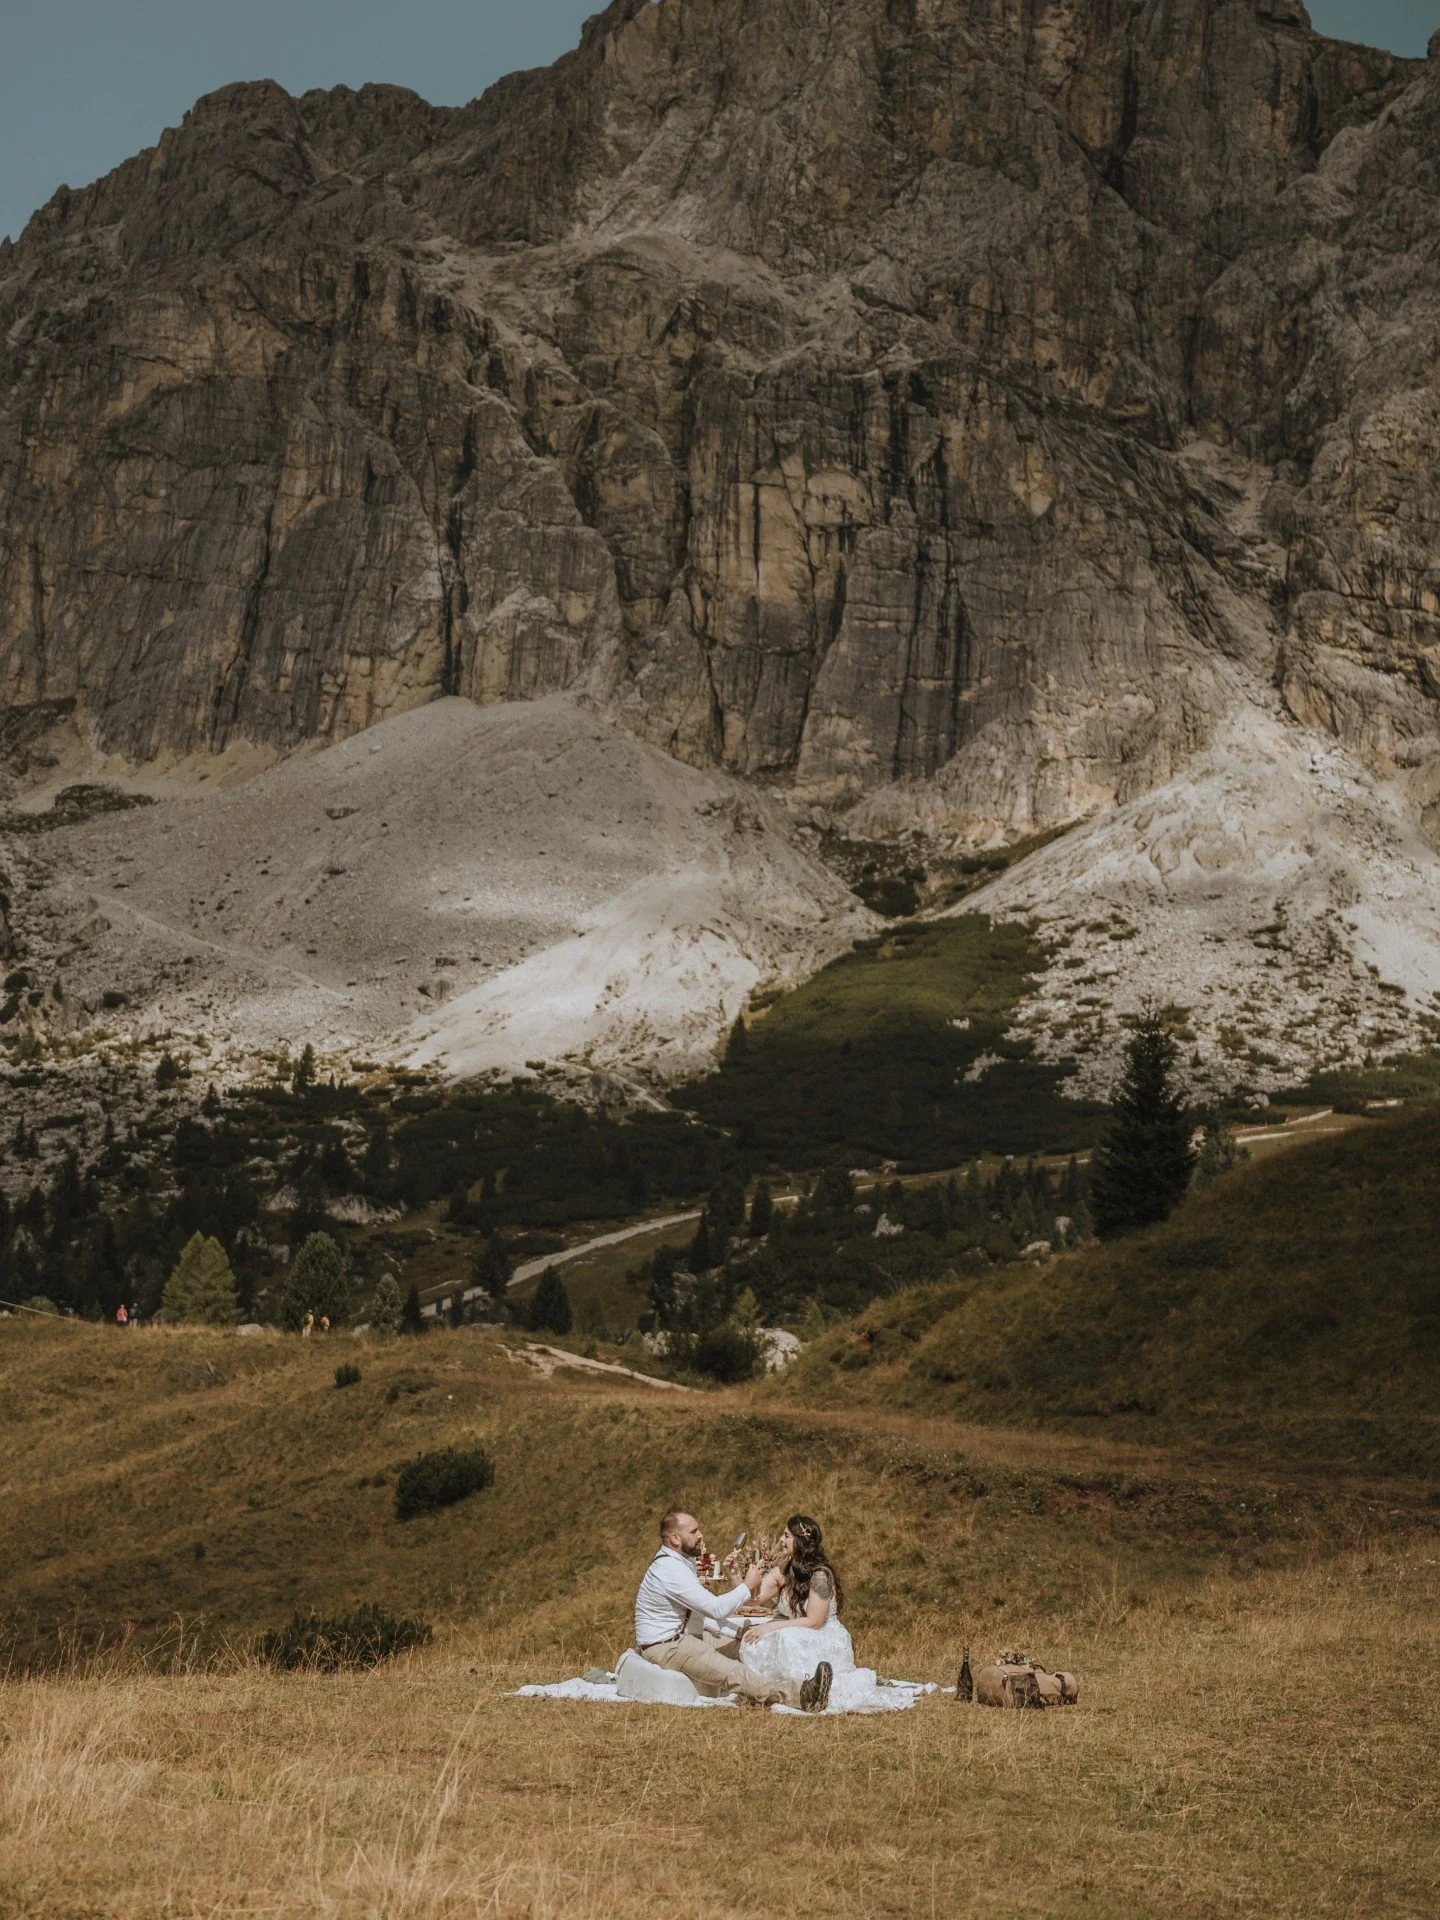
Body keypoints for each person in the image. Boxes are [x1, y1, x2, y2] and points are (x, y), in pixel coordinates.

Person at [634, 1510, 832, 1711]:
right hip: (667, 1645)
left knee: (749, 1646)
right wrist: (746, 1584)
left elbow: (698, 1614)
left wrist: (737, 1633)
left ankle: (806, 1678)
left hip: (687, 1634)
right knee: (732, 1671)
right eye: (694, 1531)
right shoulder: (669, 1569)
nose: (701, 1535)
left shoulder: (681, 1562)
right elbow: (716, 1609)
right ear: (675, 1538)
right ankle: (800, 1694)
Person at [739, 1514, 891, 1712]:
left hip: (823, 1634)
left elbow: (815, 1621)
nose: (781, 1541)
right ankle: (770, 1690)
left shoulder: (820, 1575)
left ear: (800, 1541)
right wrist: (736, 1574)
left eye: (786, 1536)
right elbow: (752, 1599)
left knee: (784, 1637)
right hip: (797, 1629)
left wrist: (771, 1626)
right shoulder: (784, 1570)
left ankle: (807, 1689)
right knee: (754, 1638)